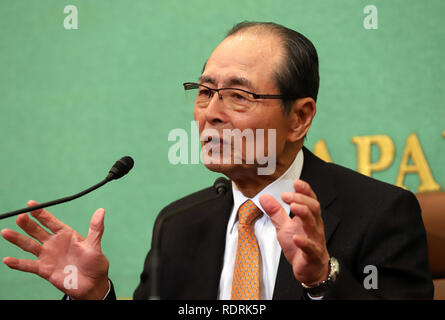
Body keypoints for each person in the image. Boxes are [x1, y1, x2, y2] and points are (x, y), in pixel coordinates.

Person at [1, 21, 433, 300]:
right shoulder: (179, 224)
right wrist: (97, 294)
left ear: (299, 117)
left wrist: (322, 280)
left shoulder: (380, 212)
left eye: (239, 96)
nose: (211, 112)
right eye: (205, 91)